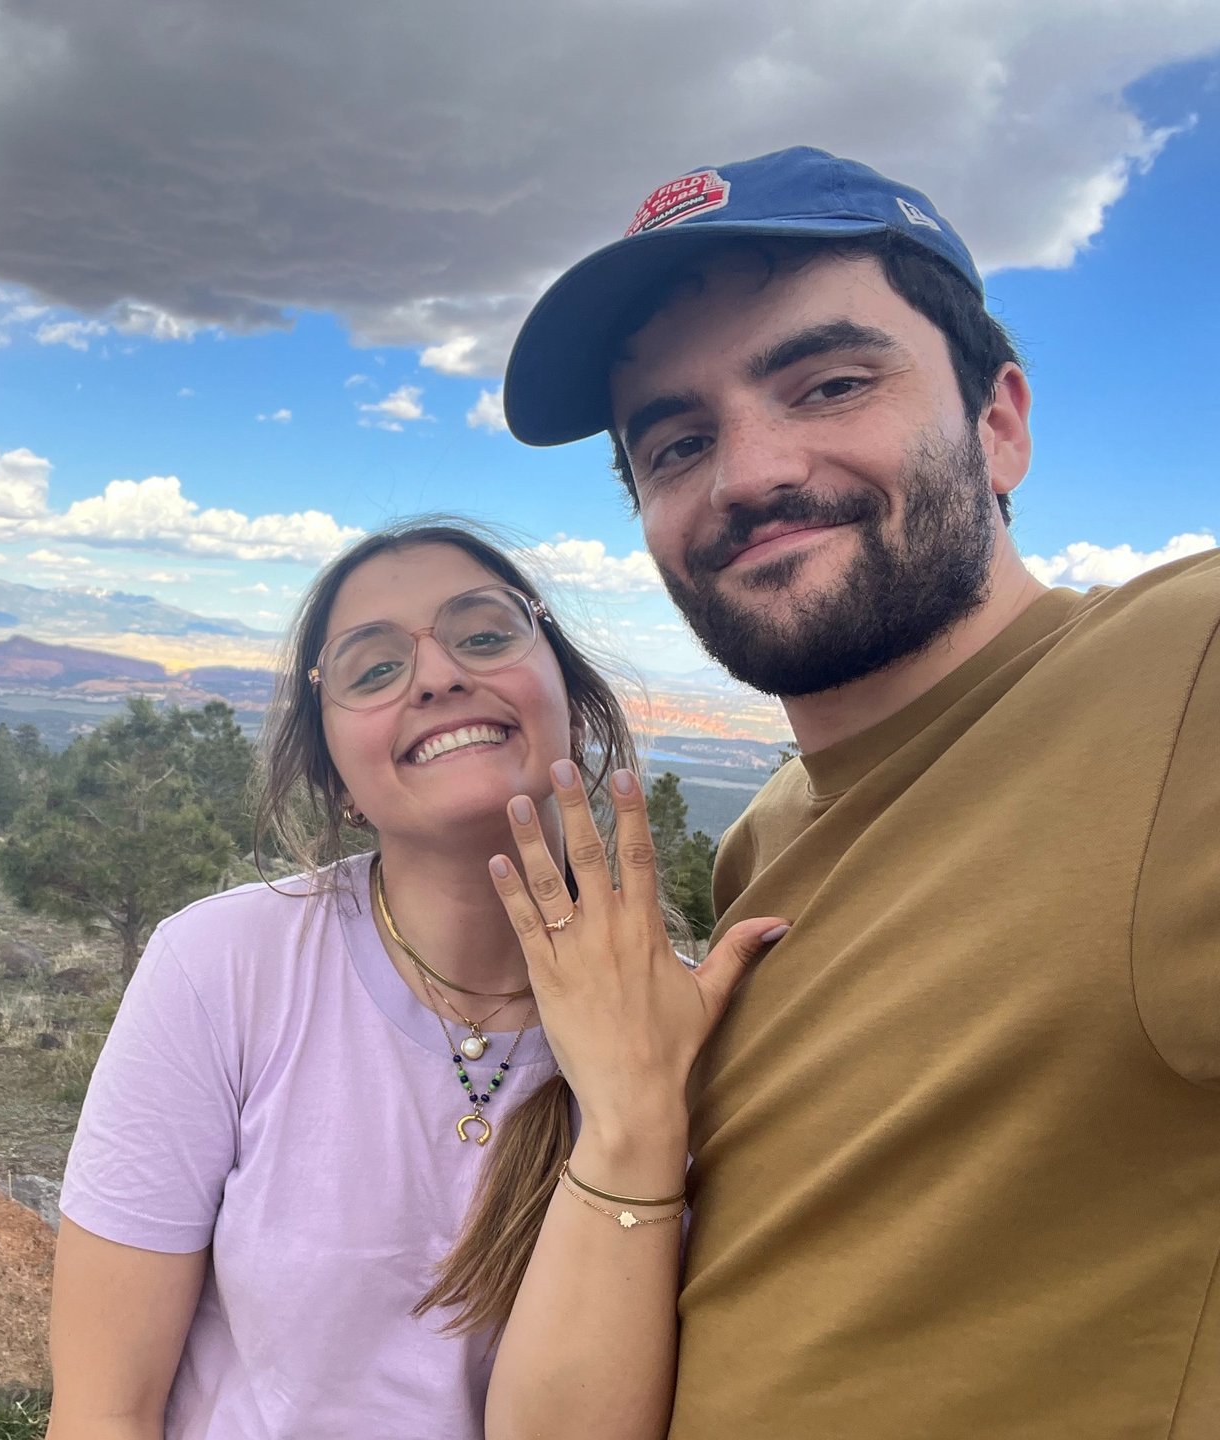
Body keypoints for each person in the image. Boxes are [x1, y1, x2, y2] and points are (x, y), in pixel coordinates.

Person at [482, 146, 1220, 1438]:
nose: (749, 473)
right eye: (677, 442)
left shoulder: (1185, 667)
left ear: (999, 424)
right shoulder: (765, 840)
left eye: (828, 383)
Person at [44, 519, 774, 1438]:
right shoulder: (219, 968)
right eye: (374, 669)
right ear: (338, 780)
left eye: (485, 634)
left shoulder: (694, 1031)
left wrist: (636, 1114)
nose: (435, 676)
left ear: (574, 704)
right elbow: (103, 1411)